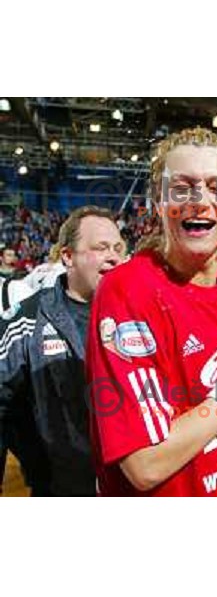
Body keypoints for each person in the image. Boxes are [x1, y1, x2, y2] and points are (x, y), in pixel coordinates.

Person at [86, 127, 217, 496]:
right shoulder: (127, 292)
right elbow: (145, 464)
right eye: (182, 187)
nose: (199, 201)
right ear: (158, 200)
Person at [0, 206, 126, 496]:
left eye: (118, 248)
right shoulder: (28, 321)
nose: (114, 257)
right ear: (68, 256)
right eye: (101, 247)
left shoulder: (141, 315)